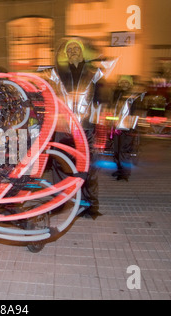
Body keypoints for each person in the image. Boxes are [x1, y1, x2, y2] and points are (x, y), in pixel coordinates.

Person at [47, 38, 114, 219]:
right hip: (64, 128)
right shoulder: (56, 73)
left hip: (86, 128)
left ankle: (88, 205)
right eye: (70, 49)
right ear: (66, 54)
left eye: (77, 48)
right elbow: (47, 95)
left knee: (88, 167)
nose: (73, 51)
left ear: (82, 52)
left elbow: (103, 99)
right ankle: (60, 202)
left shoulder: (94, 73)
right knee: (59, 165)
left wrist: (102, 123)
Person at [110, 75, 144, 181]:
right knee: (116, 149)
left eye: (126, 82)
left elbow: (136, 111)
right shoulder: (116, 95)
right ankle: (119, 169)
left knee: (124, 150)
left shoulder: (134, 96)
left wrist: (132, 126)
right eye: (122, 82)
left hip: (128, 127)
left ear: (130, 84)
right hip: (117, 126)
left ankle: (125, 173)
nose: (124, 84)